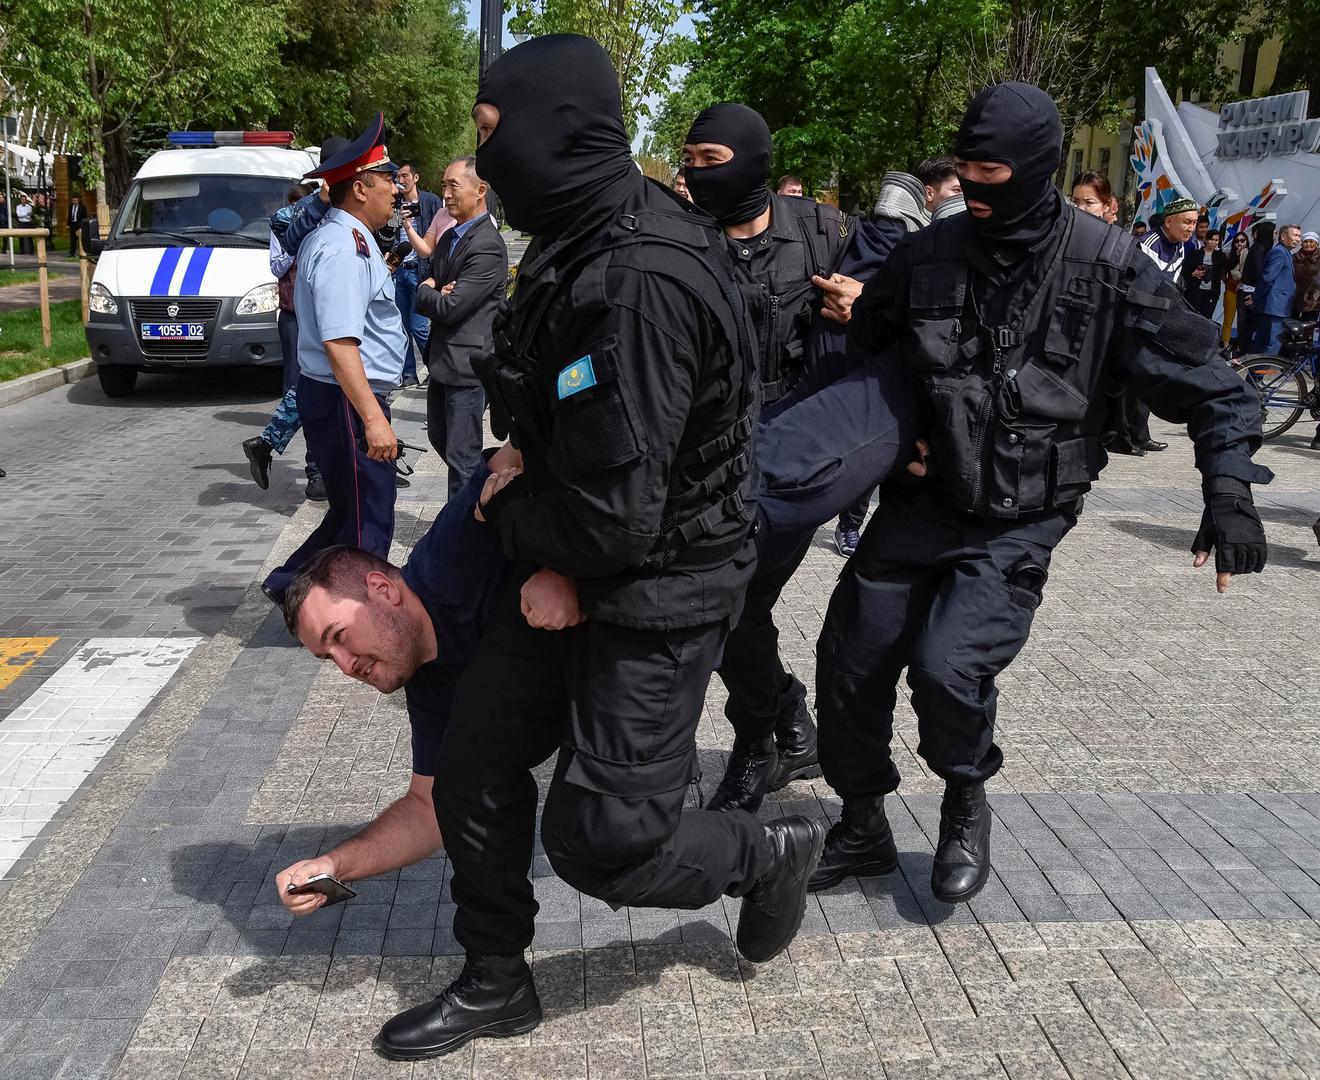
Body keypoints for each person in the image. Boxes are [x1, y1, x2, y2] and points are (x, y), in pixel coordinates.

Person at [369, 37, 823, 1063]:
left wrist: (517, 513)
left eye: (492, 138)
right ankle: (495, 982)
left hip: (655, 585)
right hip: (572, 558)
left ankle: (767, 848)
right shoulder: (578, 239)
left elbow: (620, 518)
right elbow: (576, 426)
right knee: (480, 763)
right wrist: (536, 486)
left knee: (604, 841)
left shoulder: (640, 276)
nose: (481, 168)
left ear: (558, 130)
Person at [807, 81, 1270, 907]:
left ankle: (964, 799)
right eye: (966, 171)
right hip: (920, 505)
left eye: (994, 171)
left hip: (1020, 517)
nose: (978, 188)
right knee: (850, 658)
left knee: (948, 668)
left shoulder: (1106, 264)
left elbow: (1216, 386)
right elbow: (862, 356)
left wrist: (1227, 490)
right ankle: (862, 824)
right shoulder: (928, 255)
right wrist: (885, 438)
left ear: (1037, 168)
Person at [681, 101, 851, 811]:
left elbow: (901, 319)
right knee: (730, 605)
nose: (693, 175)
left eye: (709, 161)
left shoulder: (825, 235)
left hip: (791, 455)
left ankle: (759, 737)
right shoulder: (682, 240)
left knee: (739, 599)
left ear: (752, 159)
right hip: (704, 457)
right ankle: (781, 714)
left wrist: (862, 308)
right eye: (686, 160)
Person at [261, 114, 407, 603]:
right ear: (360, 189)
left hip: (340, 397)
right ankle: (359, 615)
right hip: (347, 399)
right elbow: (340, 343)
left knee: (351, 511)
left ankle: (289, 586)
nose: (396, 189)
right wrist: (374, 419)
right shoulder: (342, 248)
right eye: (387, 179)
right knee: (370, 512)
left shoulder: (350, 240)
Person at [242, 138, 352, 501]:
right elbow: (281, 226)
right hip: (316, 308)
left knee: (322, 384)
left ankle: (269, 443)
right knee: (321, 382)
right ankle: (321, 466)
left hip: (339, 301)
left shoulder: (353, 198)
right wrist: (318, 201)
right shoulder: (312, 205)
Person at [413, 157, 508, 498]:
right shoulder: (450, 235)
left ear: (480, 190)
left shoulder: (487, 246)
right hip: (441, 359)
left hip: (468, 364)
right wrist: (432, 290)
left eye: (454, 186)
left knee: (462, 457)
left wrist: (428, 291)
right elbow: (434, 286)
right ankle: (481, 500)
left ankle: (462, 531)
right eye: (443, 186)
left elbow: (451, 306)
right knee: (439, 436)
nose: (447, 194)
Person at [390, 163, 445, 387]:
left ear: (415, 177)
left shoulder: (430, 201)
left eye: (405, 176)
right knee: (401, 327)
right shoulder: (394, 203)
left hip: (421, 272)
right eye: (398, 177)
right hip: (400, 271)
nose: (401, 180)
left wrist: (435, 272)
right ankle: (409, 374)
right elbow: (391, 237)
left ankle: (436, 368)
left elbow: (438, 235)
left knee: (418, 326)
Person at [1250, 222, 1301, 355]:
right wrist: (1255, 297)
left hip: (1275, 307)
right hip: (1274, 307)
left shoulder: (1285, 252)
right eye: (1295, 235)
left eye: (1299, 236)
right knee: (1273, 344)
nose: (1298, 239)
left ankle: (1253, 374)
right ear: (1283, 236)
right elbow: (1267, 278)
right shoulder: (1279, 252)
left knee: (1262, 341)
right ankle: (1258, 373)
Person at [1237, 219, 1275, 350]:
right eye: (1273, 232)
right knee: (1249, 324)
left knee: (1249, 324)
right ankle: (1242, 350)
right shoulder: (1259, 248)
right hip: (1251, 291)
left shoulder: (1260, 247)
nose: (1275, 235)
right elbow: (1260, 271)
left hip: (1252, 290)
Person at [1182, 227, 1228, 319]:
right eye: (1211, 239)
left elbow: (1229, 266)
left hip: (1212, 293)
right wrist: (1192, 273)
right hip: (1195, 291)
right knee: (1193, 317)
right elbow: (1184, 269)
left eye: (1216, 240)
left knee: (1207, 318)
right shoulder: (1195, 254)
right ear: (1205, 240)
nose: (1214, 242)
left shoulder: (1220, 256)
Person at [1222, 230, 1250, 348]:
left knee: (1242, 322)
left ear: (1247, 241)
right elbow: (1224, 272)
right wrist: (1228, 282)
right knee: (1228, 319)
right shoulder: (1230, 255)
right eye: (1237, 241)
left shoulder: (1249, 253)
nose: (1239, 244)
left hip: (1244, 291)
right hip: (1231, 290)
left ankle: (1240, 345)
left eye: (1242, 241)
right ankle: (1225, 345)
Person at [1291, 230, 1320, 320]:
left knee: (1309, 327)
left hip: (1314, 298)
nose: (1308, 244)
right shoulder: (1294, 257)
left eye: (1311, 241)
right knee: (1291, 326)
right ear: (1301, 243)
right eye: (1305, 241)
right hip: (1295, 297)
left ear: (1317, 244)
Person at [67, 191, 88, 257]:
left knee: (80, 239)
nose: (74, 201)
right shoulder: (71, 207)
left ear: (79, 200)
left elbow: (84, 217)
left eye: (76, 200)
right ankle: (72, 253)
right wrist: (68, 224)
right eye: (73, 200)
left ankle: (82, 252)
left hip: (79, 225)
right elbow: (69, 216)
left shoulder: (83, 208)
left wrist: (82, 226)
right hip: (72, 224)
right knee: (72, 240)